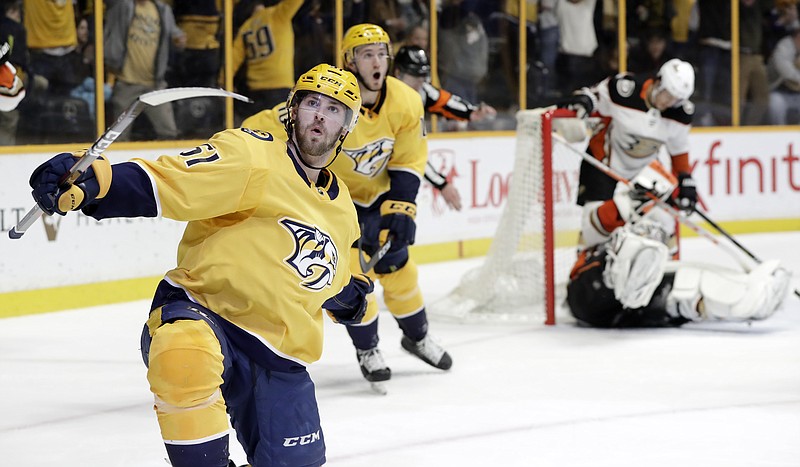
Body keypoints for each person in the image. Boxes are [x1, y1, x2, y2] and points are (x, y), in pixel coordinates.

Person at [26, 64, 371, 467]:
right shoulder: (253, 154)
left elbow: (327, 271)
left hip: (280, 351)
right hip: (206, 312)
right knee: (183, 357)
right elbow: (173, 179)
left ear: (346, 126)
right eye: (312, 103)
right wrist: (95, 183)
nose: (319, 116)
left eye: (334, 109)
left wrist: (349, 297)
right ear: (293, 110)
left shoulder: (341, 204)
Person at [559, 59, 790, 327]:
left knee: (664, 221)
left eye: (678, 98)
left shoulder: (679, 112)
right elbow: (591, 97)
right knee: (599, 230)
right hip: (604, 168)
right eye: (669, 94)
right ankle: (618, 271)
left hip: (644, 175)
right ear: (657, 82)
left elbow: (679, 152)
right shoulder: (625, 89)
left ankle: (664, 279)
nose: (671, 102)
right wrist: (583, 103)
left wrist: (686, 181)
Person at [335, 23, 453, 386]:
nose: (377, 61)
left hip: (382, 195)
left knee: (400, 268)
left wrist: (402, 206)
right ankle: (367, 348)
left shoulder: (405, 100)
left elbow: (408, 158)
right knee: (355, 280)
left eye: (381, 53)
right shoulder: (333, 98)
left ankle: (416, 337)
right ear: (350, 61)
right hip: (336, 201)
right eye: (366, 54)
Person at [393, 44, 497, 210]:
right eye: (415, 77)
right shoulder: (393, 106)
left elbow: (444, 101)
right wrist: (442, 184)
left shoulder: (420, 91)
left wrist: (472, 112)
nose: (420, 84)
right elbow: (413, 156)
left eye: (423, 78)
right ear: (398, 73)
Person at [104, 0, 186, 141]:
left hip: (154, 84)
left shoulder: (162, 10)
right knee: (118, 136)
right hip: (126, 82)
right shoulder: (122, 6)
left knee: (169, 133)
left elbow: (175, 33)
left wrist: (179, 39)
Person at [227, 0, 303, 124]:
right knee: (283, 133)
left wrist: (224, 83)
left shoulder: (245, 27)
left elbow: (232, 61)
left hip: (255, 91)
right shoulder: (276, 14)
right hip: (279, 87)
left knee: (258, 133)